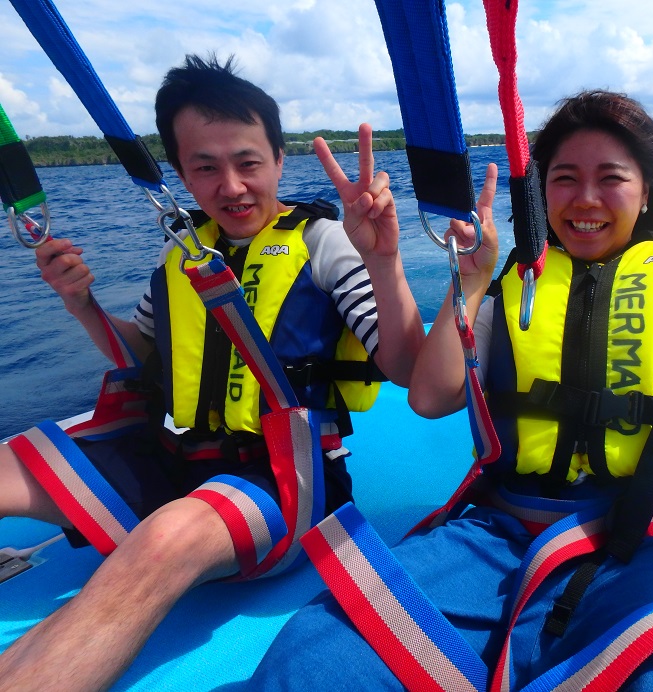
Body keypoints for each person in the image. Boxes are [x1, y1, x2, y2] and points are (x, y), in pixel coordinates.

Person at [249, 90, 653, 690]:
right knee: (308, 665)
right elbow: (430, 398)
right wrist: (470, 282)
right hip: (497, 541)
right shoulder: (512, 287)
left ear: (647, 190)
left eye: (611, 178)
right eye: (565, 178)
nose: (585, 198)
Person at [0, 54, 424, 690]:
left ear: (278, 160)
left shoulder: (323, 242)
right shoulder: (183, 247)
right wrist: (82, 303)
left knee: (164, 539)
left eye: (248, 163)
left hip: (287, 482)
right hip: (177, 462)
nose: (231, 187)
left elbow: (408, 368)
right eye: (205, 168)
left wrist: (385, 261)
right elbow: (145, 355)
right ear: (181, 174)